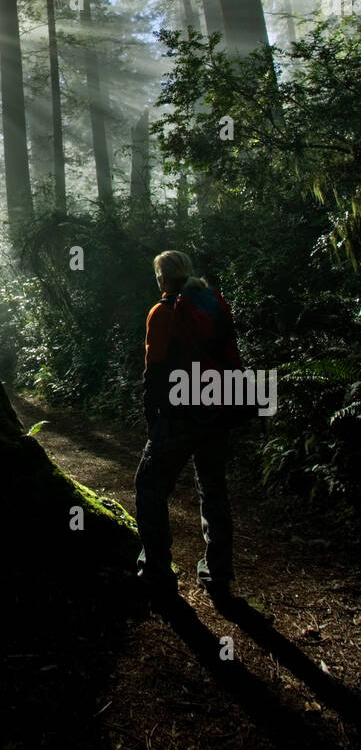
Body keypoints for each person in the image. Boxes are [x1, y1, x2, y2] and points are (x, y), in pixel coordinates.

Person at [134, 250, 242, 602]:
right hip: (218, 408)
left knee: (149, 485)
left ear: (162, 279)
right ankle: (218, 572)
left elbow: (155, 373)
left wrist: (154, 420)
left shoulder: (163, 313)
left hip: (181, 414)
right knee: (213, 488)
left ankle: (157, 572)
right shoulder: (215, 303)